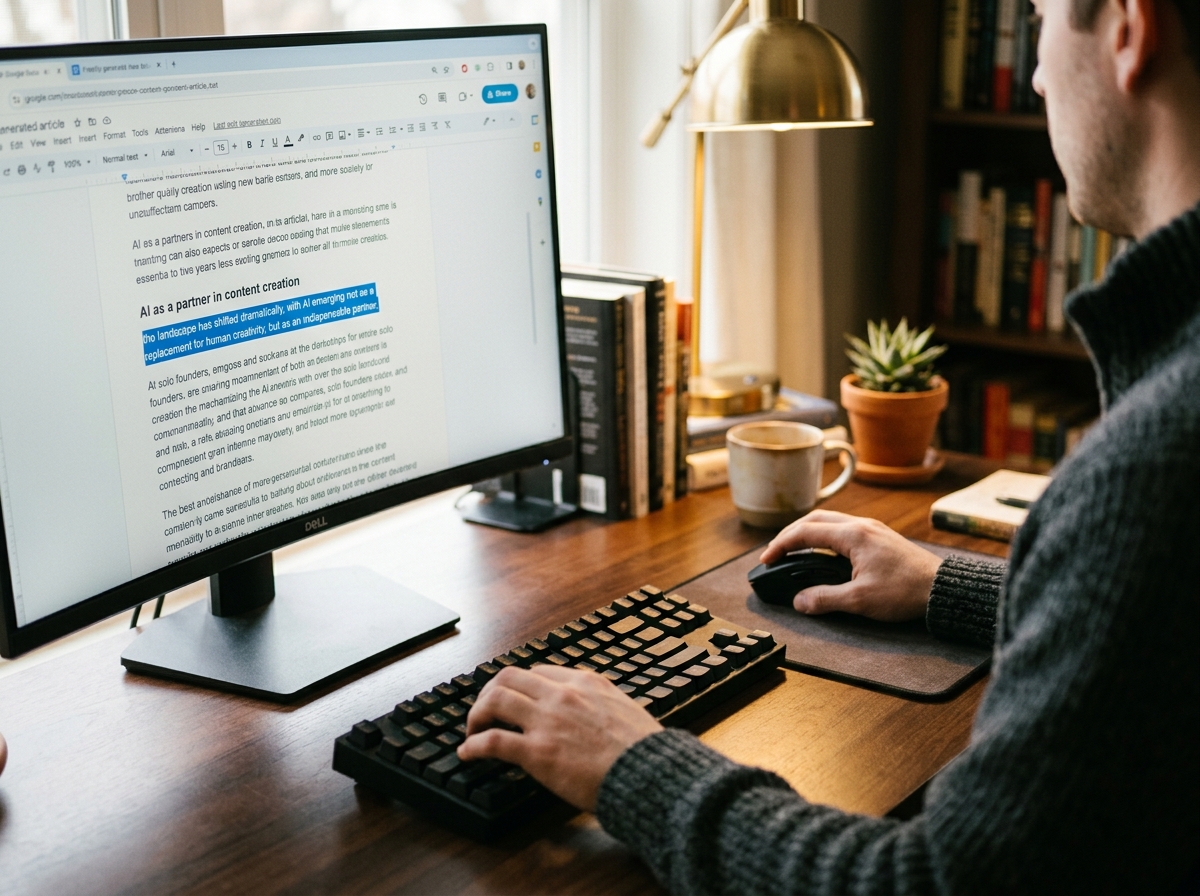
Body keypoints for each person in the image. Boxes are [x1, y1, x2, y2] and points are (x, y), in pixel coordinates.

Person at [459, 0, 1200, 890]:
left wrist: (630, 763)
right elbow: (1156, 629)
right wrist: (949, 586)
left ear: (1128, 27)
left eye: (1039, 16)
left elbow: (919, 884)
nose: (1037, 73)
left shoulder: (1155, 467)